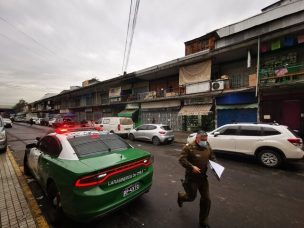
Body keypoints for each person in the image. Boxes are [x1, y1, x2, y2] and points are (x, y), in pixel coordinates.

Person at [177, 130, 216, 228]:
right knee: (191, 197)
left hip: (203, 178)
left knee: (206, 199)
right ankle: (181, 197)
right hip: (191, 179)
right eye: (203, 139)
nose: (205, 141)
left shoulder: (207, 145)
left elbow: (212, 156)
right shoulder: (189, 147)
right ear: (197, 138)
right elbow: (182, 159)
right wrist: (191, 167)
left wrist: (215, 165)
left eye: (206, 139)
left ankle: (203, 222)